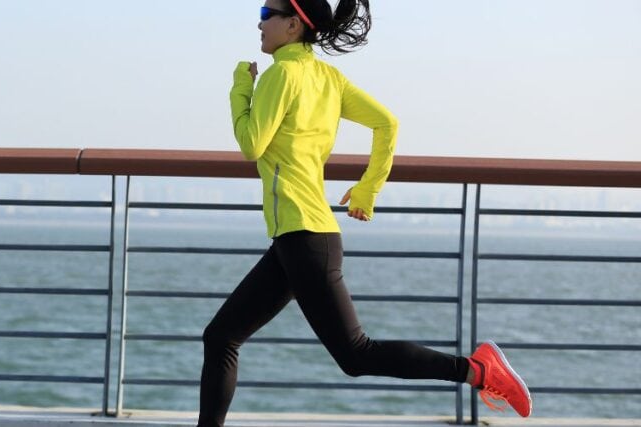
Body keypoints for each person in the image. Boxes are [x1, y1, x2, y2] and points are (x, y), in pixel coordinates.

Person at [197, 1, 532, 425]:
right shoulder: (328, 77)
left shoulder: (281, 74)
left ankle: (478, 370)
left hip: (305, 239)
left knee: (356, 354)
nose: (259, 22)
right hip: (300, 238)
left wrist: (240, 86)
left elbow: (251, 144)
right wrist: (366, 190)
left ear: (294, 24)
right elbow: (387, 123)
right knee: (222, 336)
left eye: (267, 12)